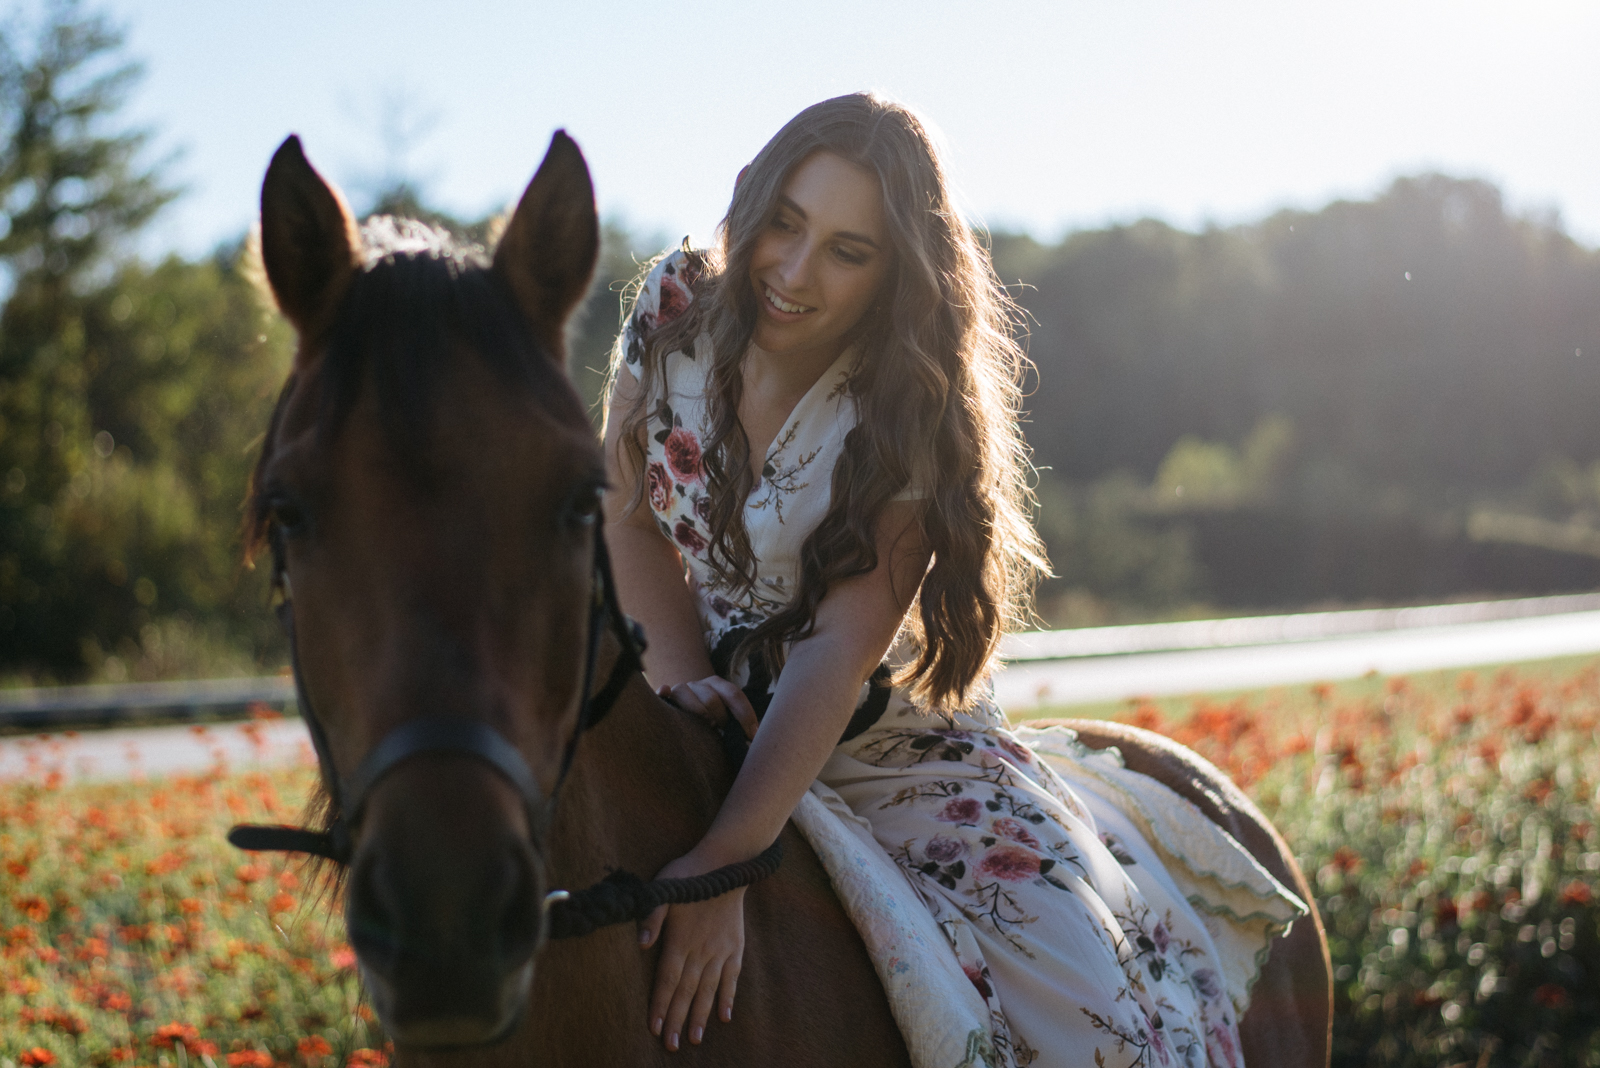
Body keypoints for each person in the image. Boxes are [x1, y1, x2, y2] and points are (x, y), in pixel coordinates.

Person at [601, 93, 1301, 1068]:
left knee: (1087, 1003)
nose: (796, 273)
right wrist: (687, 692)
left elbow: (839, 646)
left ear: (895, 272)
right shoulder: (674, 305)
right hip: (683, 692)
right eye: (788, 224)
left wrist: (725, 862)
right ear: (754, 202)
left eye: (849, 250)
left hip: (871, 744)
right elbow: (626, 511)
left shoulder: (908, 400)